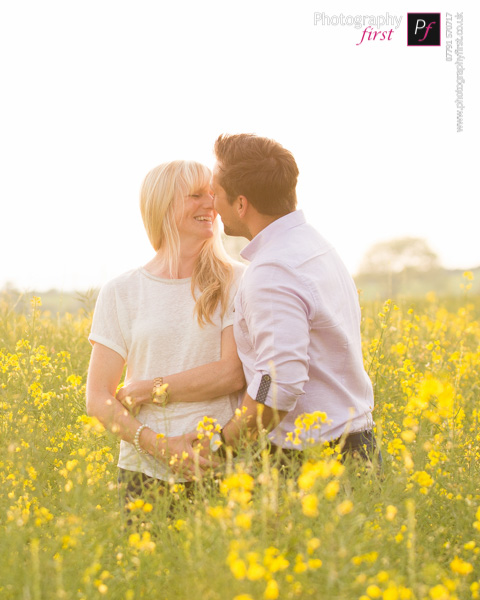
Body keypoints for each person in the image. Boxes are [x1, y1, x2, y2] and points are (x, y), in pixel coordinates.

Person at [209, 134, 380, 464]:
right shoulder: (315, 246)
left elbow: (275, 382)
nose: (212, 205)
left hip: (318, 460)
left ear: (241, 205)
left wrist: (223, 444)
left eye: (215, 194)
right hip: (356, 445)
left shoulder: (272, 270)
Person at [86, 160, 246, 504]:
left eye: (212, 195)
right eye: (195, 196)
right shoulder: (121, 290)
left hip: (216, 463)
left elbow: (232, 374)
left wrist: (148, 389)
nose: (211, 205)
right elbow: (98, 398)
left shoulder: (238, 280)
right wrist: (161, 447)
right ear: (163, 206)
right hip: (141, 472)